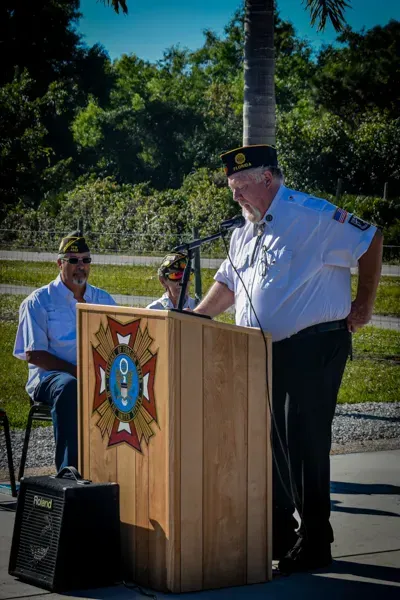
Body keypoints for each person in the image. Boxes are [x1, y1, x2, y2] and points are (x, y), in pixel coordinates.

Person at [193, 145, 383, 573]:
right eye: (232, 189)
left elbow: (371, 239)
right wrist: (193, 316)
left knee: (304, 443)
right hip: (263, 352)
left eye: (242, 187)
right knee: (269, 442)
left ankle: (316, 540)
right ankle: (279, 531)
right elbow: (227, 282)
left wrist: (364, 305)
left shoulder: (312, 216)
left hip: (313, 345)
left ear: (267, 178)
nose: (237, 197)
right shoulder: (245, 229)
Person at [13, 230, 117, 472]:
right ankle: (69, 473)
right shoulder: (38, 301)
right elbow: (35, 354)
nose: (81, 266)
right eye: (73, 260)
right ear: (60, 263)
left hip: (95, 375)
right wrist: (78, 372)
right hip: (50, 378)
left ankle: (116, 470)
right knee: (70, 386)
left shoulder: (103, 299)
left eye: (86, 260)